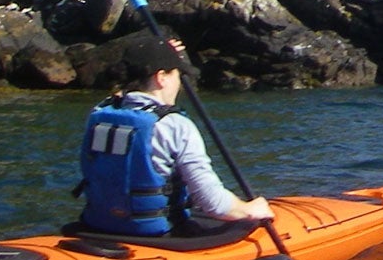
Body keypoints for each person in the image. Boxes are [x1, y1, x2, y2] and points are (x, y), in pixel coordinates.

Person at [78, 45, 273, 237]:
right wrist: (249, 209)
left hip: (98, 225)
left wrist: (159, 51)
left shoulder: (98, 114)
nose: (179, 83)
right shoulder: (175, 125)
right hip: (159, 233)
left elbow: (123, 95)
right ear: (161, 78)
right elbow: (214, 204)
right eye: (177, 75)